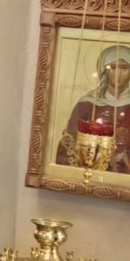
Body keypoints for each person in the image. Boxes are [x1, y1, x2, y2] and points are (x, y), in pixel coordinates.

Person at [55, 44, 130, 172]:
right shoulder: (87, 104)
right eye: (112, 67)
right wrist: (106, 158)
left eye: (124, 68)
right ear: (103, 70)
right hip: (92, 172)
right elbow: (69, 145)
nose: (118, 73)